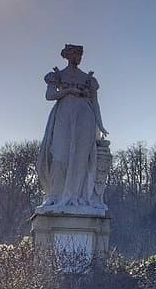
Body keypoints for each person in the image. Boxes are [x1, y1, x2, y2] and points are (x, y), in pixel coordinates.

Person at [36, 44, 108, 209]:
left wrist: (100, 124)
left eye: (80, 55)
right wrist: (67, 92)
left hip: (85, 119)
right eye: (75, 54)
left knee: (80, 158)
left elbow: (95, 103)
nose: (78, 58)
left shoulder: (88, 80)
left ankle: (77, 196)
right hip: (63, 117)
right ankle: (56, 194)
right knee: (59, 156)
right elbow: (49, 96)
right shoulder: (57, 75)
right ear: (67, 56)